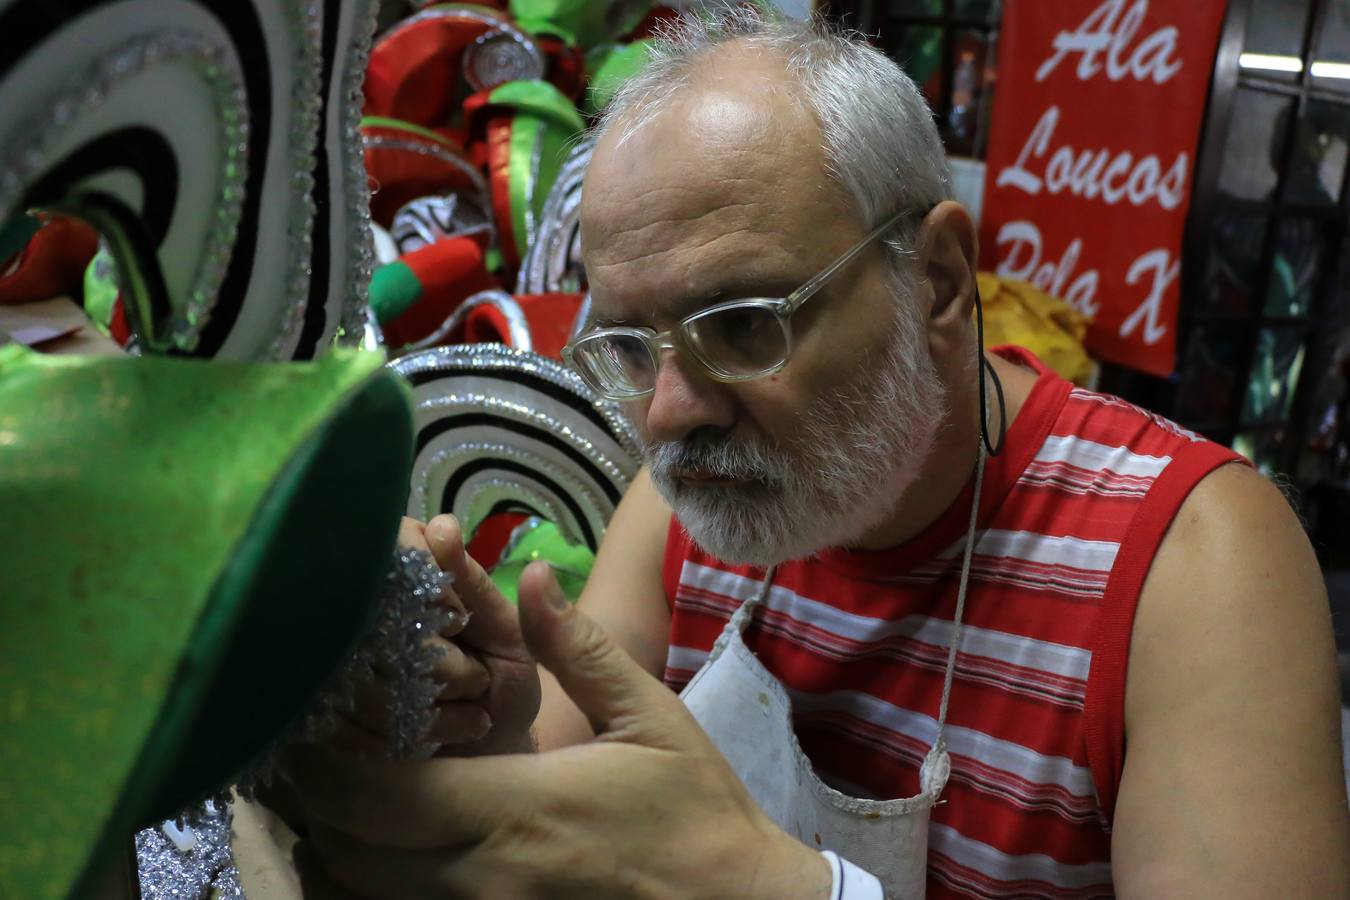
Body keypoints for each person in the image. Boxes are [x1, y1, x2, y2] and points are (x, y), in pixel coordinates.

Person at [285, 8, 1350, 898]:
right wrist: (493, 722)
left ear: (933, 279)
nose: (669, 413)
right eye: (626, 344)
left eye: (745, 323)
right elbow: (556, 811)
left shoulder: (1189, 565)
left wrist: (779, 885)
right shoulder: (691, 503)